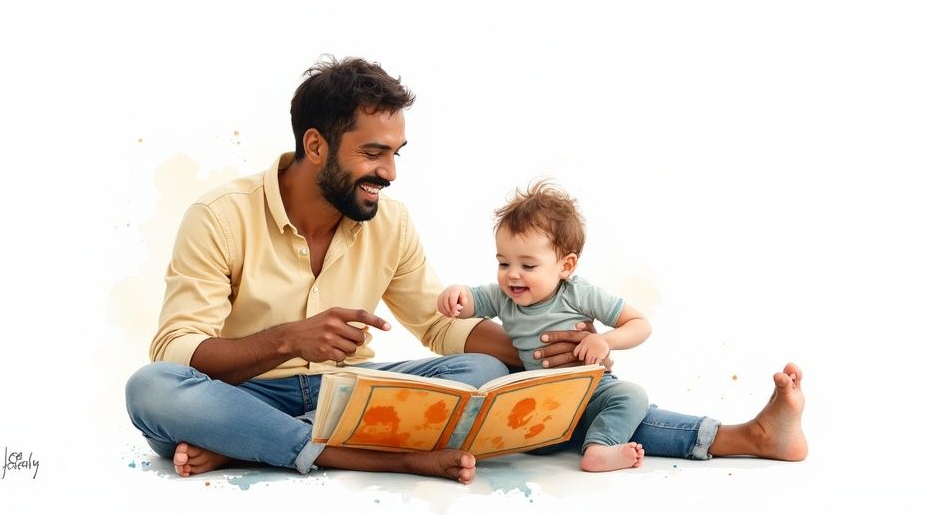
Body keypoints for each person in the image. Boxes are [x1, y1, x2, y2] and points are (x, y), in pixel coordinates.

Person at [125, 56, 808, 485]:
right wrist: (286, 340)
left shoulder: (386, 222)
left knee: (486, 378)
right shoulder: (220, 216)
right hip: (251, 393)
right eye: (373, 153)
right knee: (151, 389)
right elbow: (179, 350)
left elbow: (441, 329)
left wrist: (541, 352)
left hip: (354, 397)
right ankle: (363, 458)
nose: (389, 172)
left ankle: (251, 450)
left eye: (397, 152)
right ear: (315, 145)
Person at [437, 181, 651, 472]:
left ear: (565, 266)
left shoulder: (579, 294)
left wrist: (606, 342)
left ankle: (599, 449)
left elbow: (640, 324)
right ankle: (569, 439)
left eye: (527, 266)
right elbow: (471, 302)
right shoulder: (503, 297)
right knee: (529, 433)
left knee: (631, 396)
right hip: (545, 401)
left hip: (593, 389)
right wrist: (455, 294)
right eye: (503, 263)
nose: (512, 275)